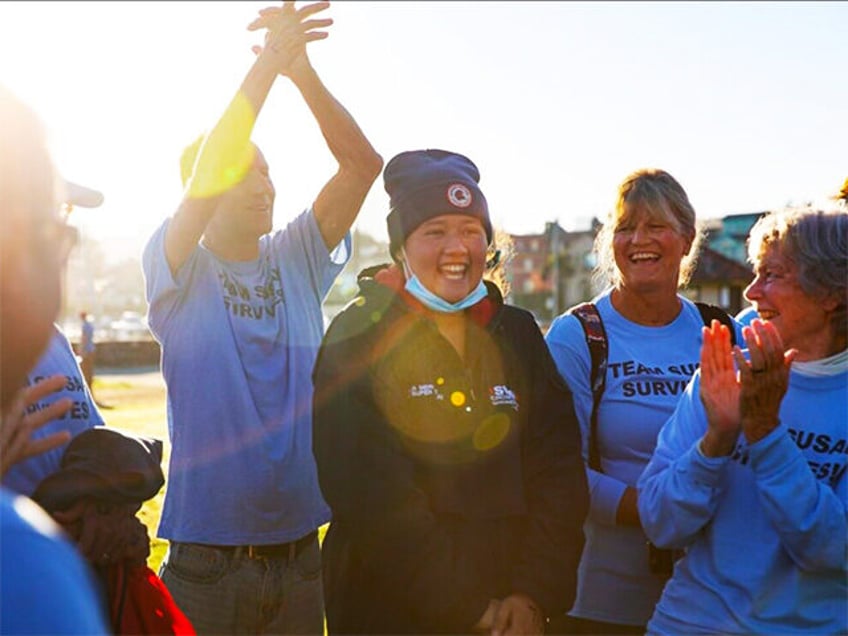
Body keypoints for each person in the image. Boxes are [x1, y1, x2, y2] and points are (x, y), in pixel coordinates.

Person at [142, 2, 382, 633]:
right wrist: (264, 71)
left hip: (303, 559)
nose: (263, 186)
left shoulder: (297, 256)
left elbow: (362, 166)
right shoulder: (177, 268)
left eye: (268, 172)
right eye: (241, 176)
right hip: (206, 569)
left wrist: (300, 71)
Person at [312, 149, 588, 635]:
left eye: (470, 231)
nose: (456, 248)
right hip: (389, 612)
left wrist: (531, 594)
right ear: (401, 247)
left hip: (514, 614)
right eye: (434, 232)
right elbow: (370, 495)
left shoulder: (517, 332)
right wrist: (469, 609)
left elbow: (558, 471)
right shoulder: (358, 334)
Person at [544, 168, 741, 633]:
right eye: (625, 227)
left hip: (705, 597)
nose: (638, 240)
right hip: (597, 602)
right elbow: (558, 468)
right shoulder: (579, 335)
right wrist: (661, 511)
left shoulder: (721, 331)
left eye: (656, 226)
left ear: (687, 238)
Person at [638, 206, 847, 634]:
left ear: (832, 293)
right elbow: (660, 521)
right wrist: (716, 439)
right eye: (755, 272)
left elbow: (830, 550)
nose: (751, 293)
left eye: (773, 275)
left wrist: (765, 431)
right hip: (688, 622)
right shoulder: (726, 365)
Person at [0, 83, 110, 634]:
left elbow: (88, 438)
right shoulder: (26, 570)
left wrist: (99, 512)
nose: (59, 248)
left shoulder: (50, 339)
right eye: (51, 222)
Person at [79, 310, 96, 390]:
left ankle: (87, 387)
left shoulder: (84, 326)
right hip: (92, 349)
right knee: (90, 369)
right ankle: (90, 386)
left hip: (86, 350)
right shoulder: (90, 325)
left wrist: (81, 350)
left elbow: (84, 338)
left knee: (85, 370)